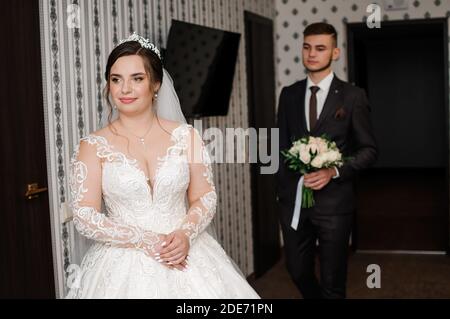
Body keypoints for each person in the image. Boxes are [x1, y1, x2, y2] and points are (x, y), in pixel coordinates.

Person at [66, 33, 259, 299]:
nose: (125, 89)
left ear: (156, 84)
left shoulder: (186, 136)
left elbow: (204, 195)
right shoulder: (93, 146)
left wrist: (185, 233)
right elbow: (85, 216)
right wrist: (146, 239)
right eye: (116, 79)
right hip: (122, 262)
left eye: (137, 79)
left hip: (186, 250)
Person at [276, 23, 378, 298]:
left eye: (320, 48)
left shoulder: (352, 96)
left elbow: (369, 150)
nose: (312, 54)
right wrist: (282, 195)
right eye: (307, 47)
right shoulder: (289, 94)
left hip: (335, 204)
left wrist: (334, 170)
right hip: (295, 203)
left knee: (334, 280)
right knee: (297, 270)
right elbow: (281, 146)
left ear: (335, 53)